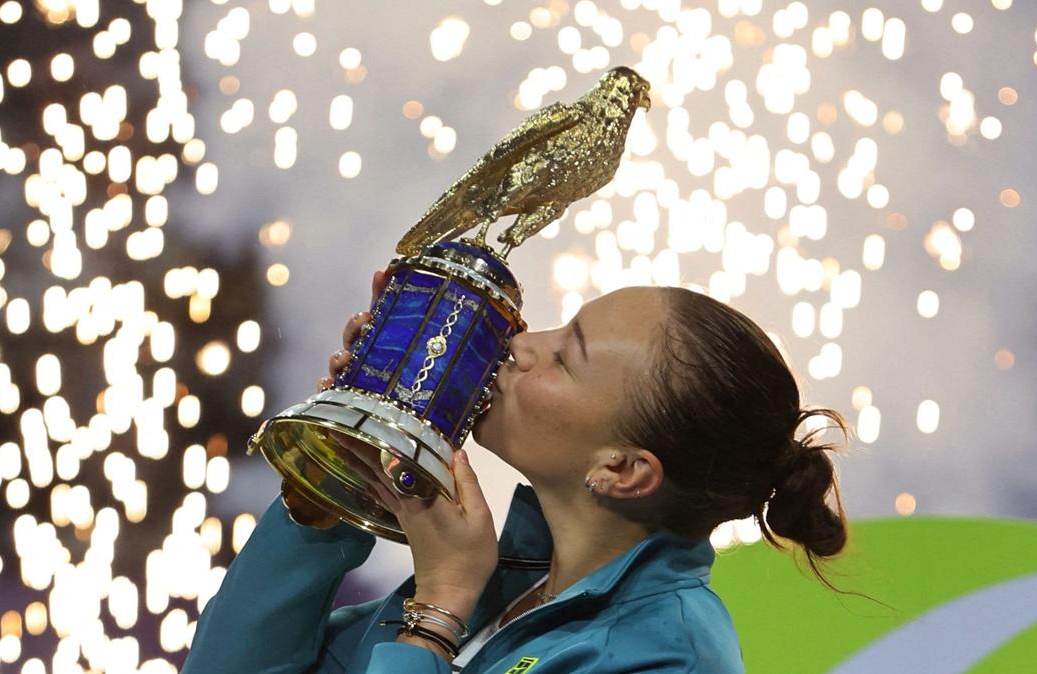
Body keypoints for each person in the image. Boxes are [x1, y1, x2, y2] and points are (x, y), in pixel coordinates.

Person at [183, 269, 850, 673]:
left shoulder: (673, 657)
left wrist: (437, 615)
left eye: (565, 357)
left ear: (622, 470)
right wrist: (337, 478)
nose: (520, 344)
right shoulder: (512, 580)